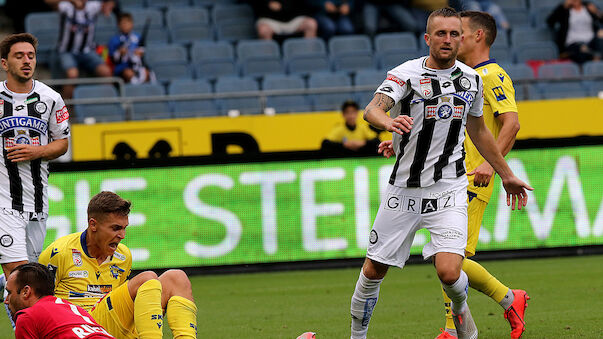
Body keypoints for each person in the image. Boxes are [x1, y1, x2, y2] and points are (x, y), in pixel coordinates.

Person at [348, 7, 533, 339]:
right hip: (403, 189)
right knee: (373, 269)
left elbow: (479, 131)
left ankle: (464, 325)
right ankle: (356, 337)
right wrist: (389, 124)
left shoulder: (472, 80)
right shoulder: (406, 74)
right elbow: (372, 109)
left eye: (453, 34)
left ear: (461, 38)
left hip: (448, 188)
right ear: (427, 38)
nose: (448, 40)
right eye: (441, 34)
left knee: (450, 271)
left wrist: (505, 173)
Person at [433, 11, 527, 339]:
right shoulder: (463, 76)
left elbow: (511, 122)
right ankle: (457, 327)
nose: (453, 38)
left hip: (474, 178)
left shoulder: (491, 74)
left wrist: (490, 164)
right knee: (444, 258)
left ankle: (504, 299)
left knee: (450, 260)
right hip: (452, 177)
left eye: (460, 32)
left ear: (478, 37)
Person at [38, 191, 198, 338]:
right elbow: (38, 305)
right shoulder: (59, 252)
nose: (122, 235)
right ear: (93, 225)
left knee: (177, 277)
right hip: (78, 327)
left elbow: (120, 302)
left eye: (124, 228)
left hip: (110, 326)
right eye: (115, 228)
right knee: (148, 278)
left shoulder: (123, 256)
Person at [0, 32, 70, 322]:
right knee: (22, 281)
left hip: (37, 205)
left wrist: (36, 151)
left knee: (24, 285)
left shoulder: (51, 98)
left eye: (30, 55)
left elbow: (62, 144)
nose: (26, 61)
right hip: (4, 204)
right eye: (19, 56)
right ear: (5, 63)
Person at [5, 262, 114, 338]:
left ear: (25, 292)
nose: (6, 300)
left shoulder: (27, 316)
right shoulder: (73, 308)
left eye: (9, 293)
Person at [56, 0, 112, 98]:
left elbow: (110, 3)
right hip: (67, 51)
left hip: (87, 51)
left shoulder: (93, 6)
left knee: (106, 72)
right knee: (72, 75)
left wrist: (109, 6)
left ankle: (106, 104)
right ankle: (64, 108)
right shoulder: (66, 6)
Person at [108, 12, 152, 84]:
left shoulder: (137, 37)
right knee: (128, 73)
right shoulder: (114, 40)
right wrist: (119, 53)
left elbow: (142, 50)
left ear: (132, 24)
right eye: (123, 23)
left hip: (136, 65)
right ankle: (134, 90)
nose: (126, 25)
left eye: (128, 22)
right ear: (119, 25)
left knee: (146, 73)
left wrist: (138, 52)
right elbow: (112, 58)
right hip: (122, 67)